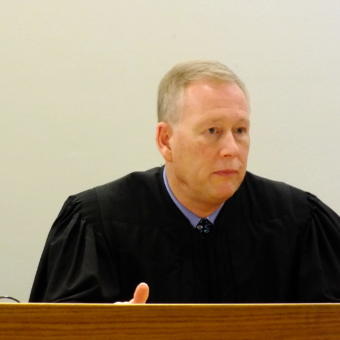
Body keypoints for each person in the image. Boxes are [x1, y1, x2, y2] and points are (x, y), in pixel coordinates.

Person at [29, 60, 340, 303]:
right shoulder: (97, 223)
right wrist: (107, 329)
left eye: (240, 130)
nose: (231, 149)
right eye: (212, 131)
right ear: (166, 140)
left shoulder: (299, 222)